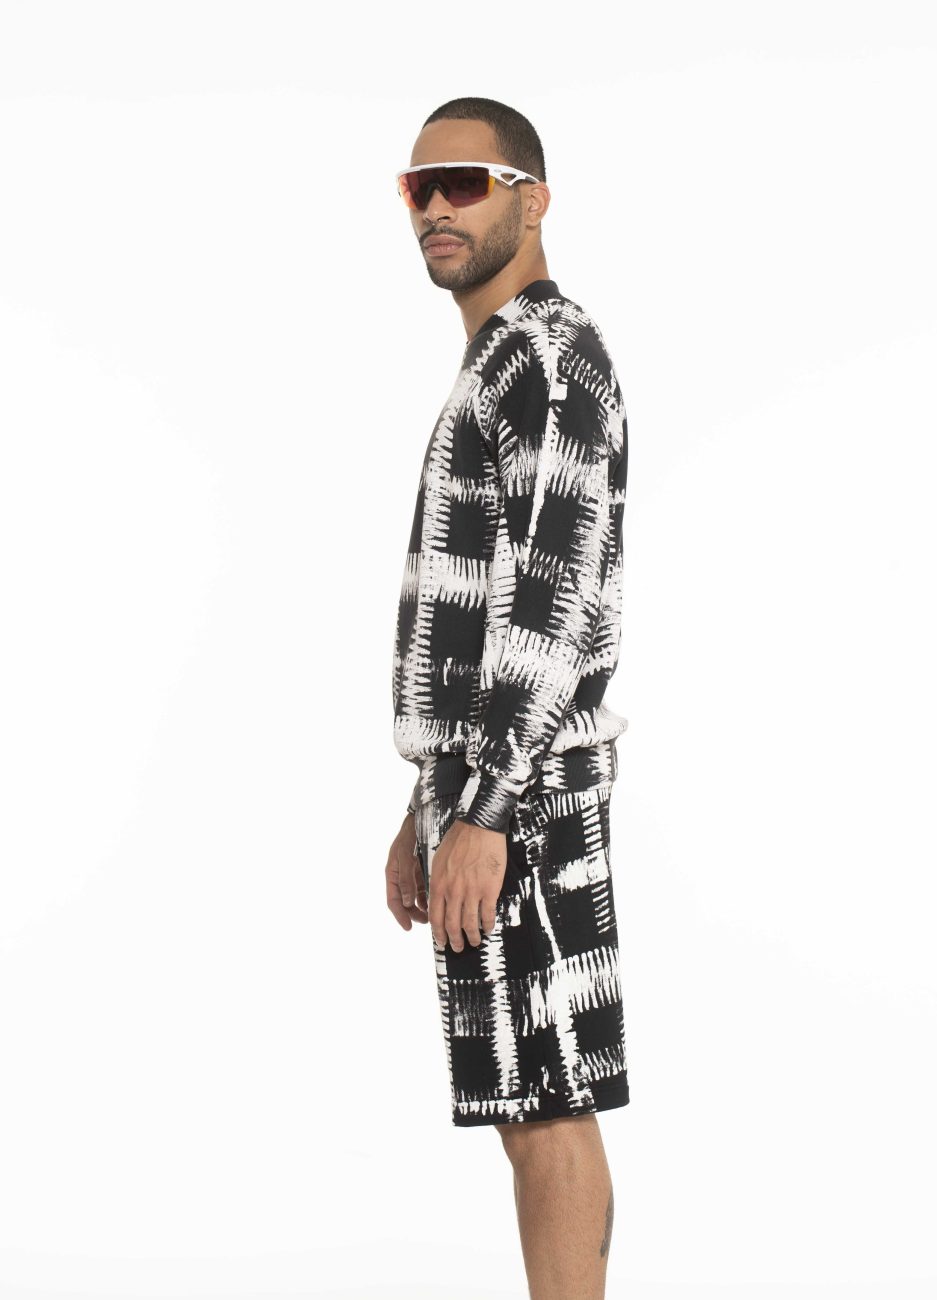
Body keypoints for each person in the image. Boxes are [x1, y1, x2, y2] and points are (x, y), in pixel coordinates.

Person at [385, 95, 631, 1300]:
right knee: (523, 1095)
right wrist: (424, 807)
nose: (436, 206)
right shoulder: (499, 360)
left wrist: (482, 807)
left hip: (523, 792)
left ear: (530, 202)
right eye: (417, 187)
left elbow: (551, 596)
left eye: (464, 182)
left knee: (548, 1101)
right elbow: (480, 606)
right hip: (484, 784)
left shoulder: (547, 355)